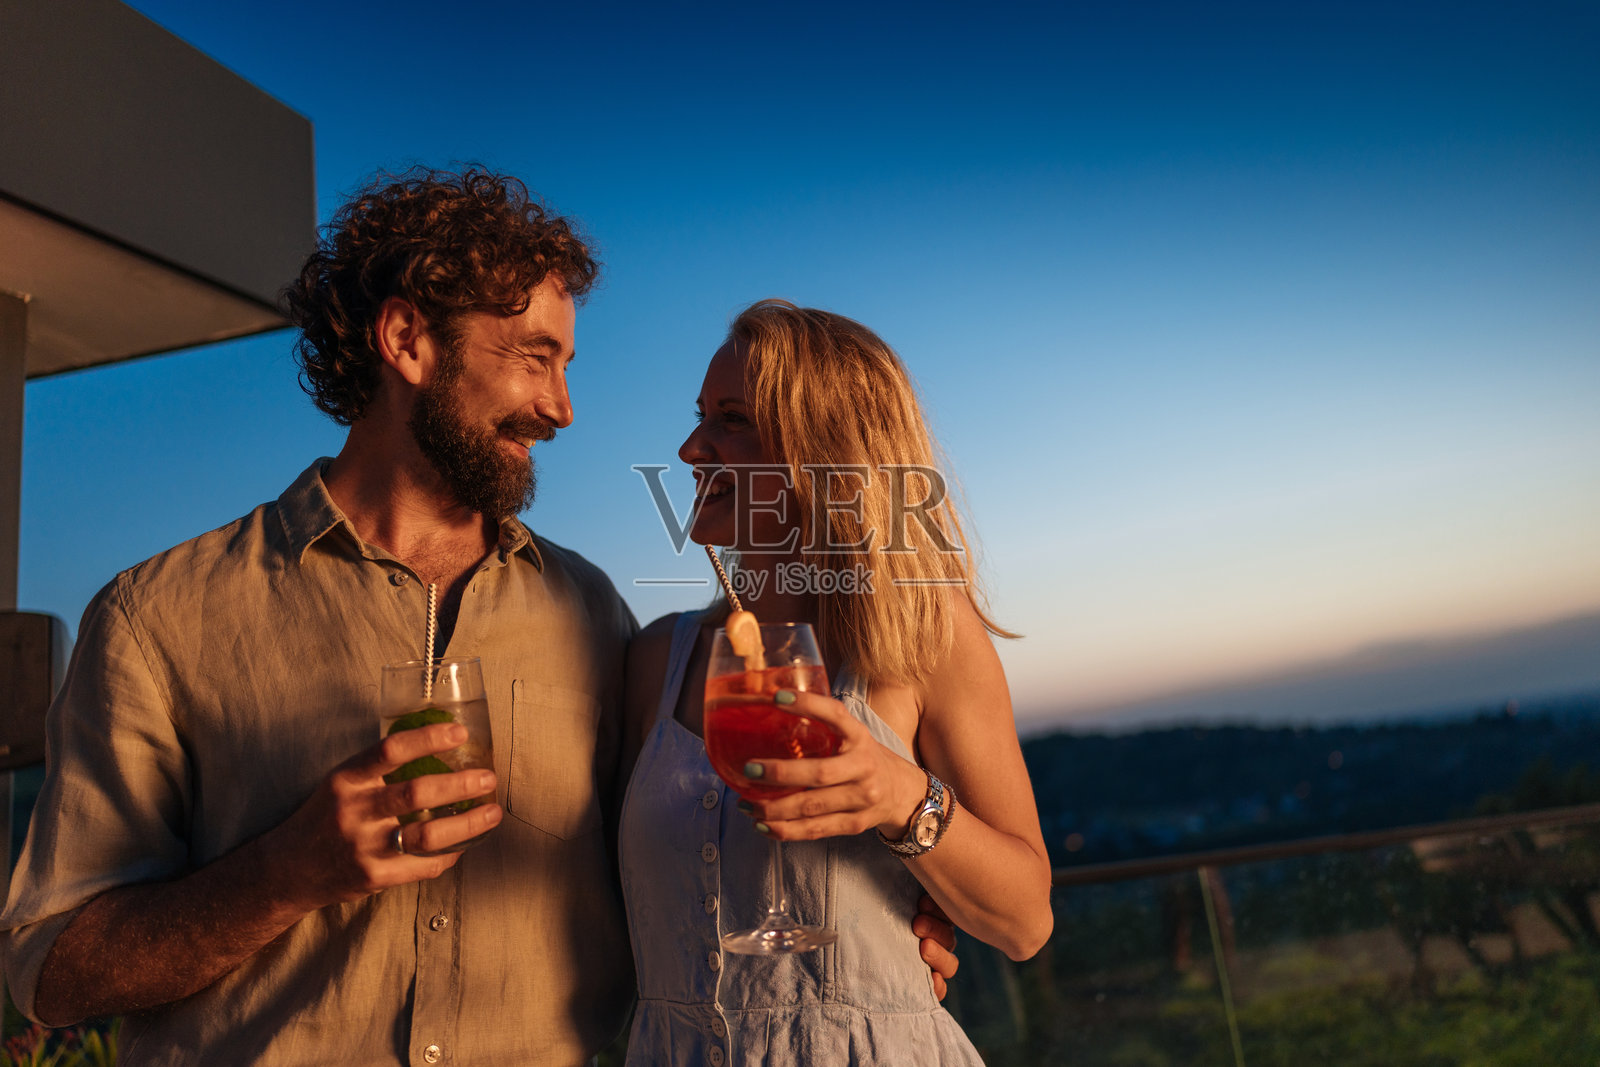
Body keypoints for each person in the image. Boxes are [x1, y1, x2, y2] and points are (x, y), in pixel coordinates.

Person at [0, 168, 637, 1065]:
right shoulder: (159, 618)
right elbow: (51, 968)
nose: (561, 408)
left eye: (566, 366)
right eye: (535, 357)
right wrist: (282, 873)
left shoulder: (594, 616)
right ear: (408, 338)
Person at [619, 300, 1054, 1064]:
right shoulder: (658, 660)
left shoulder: (927, 635)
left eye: (731, 419)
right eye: (699, 416)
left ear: (823, 450)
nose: (691, 447)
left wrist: (900, 797)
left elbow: (1025, 920)